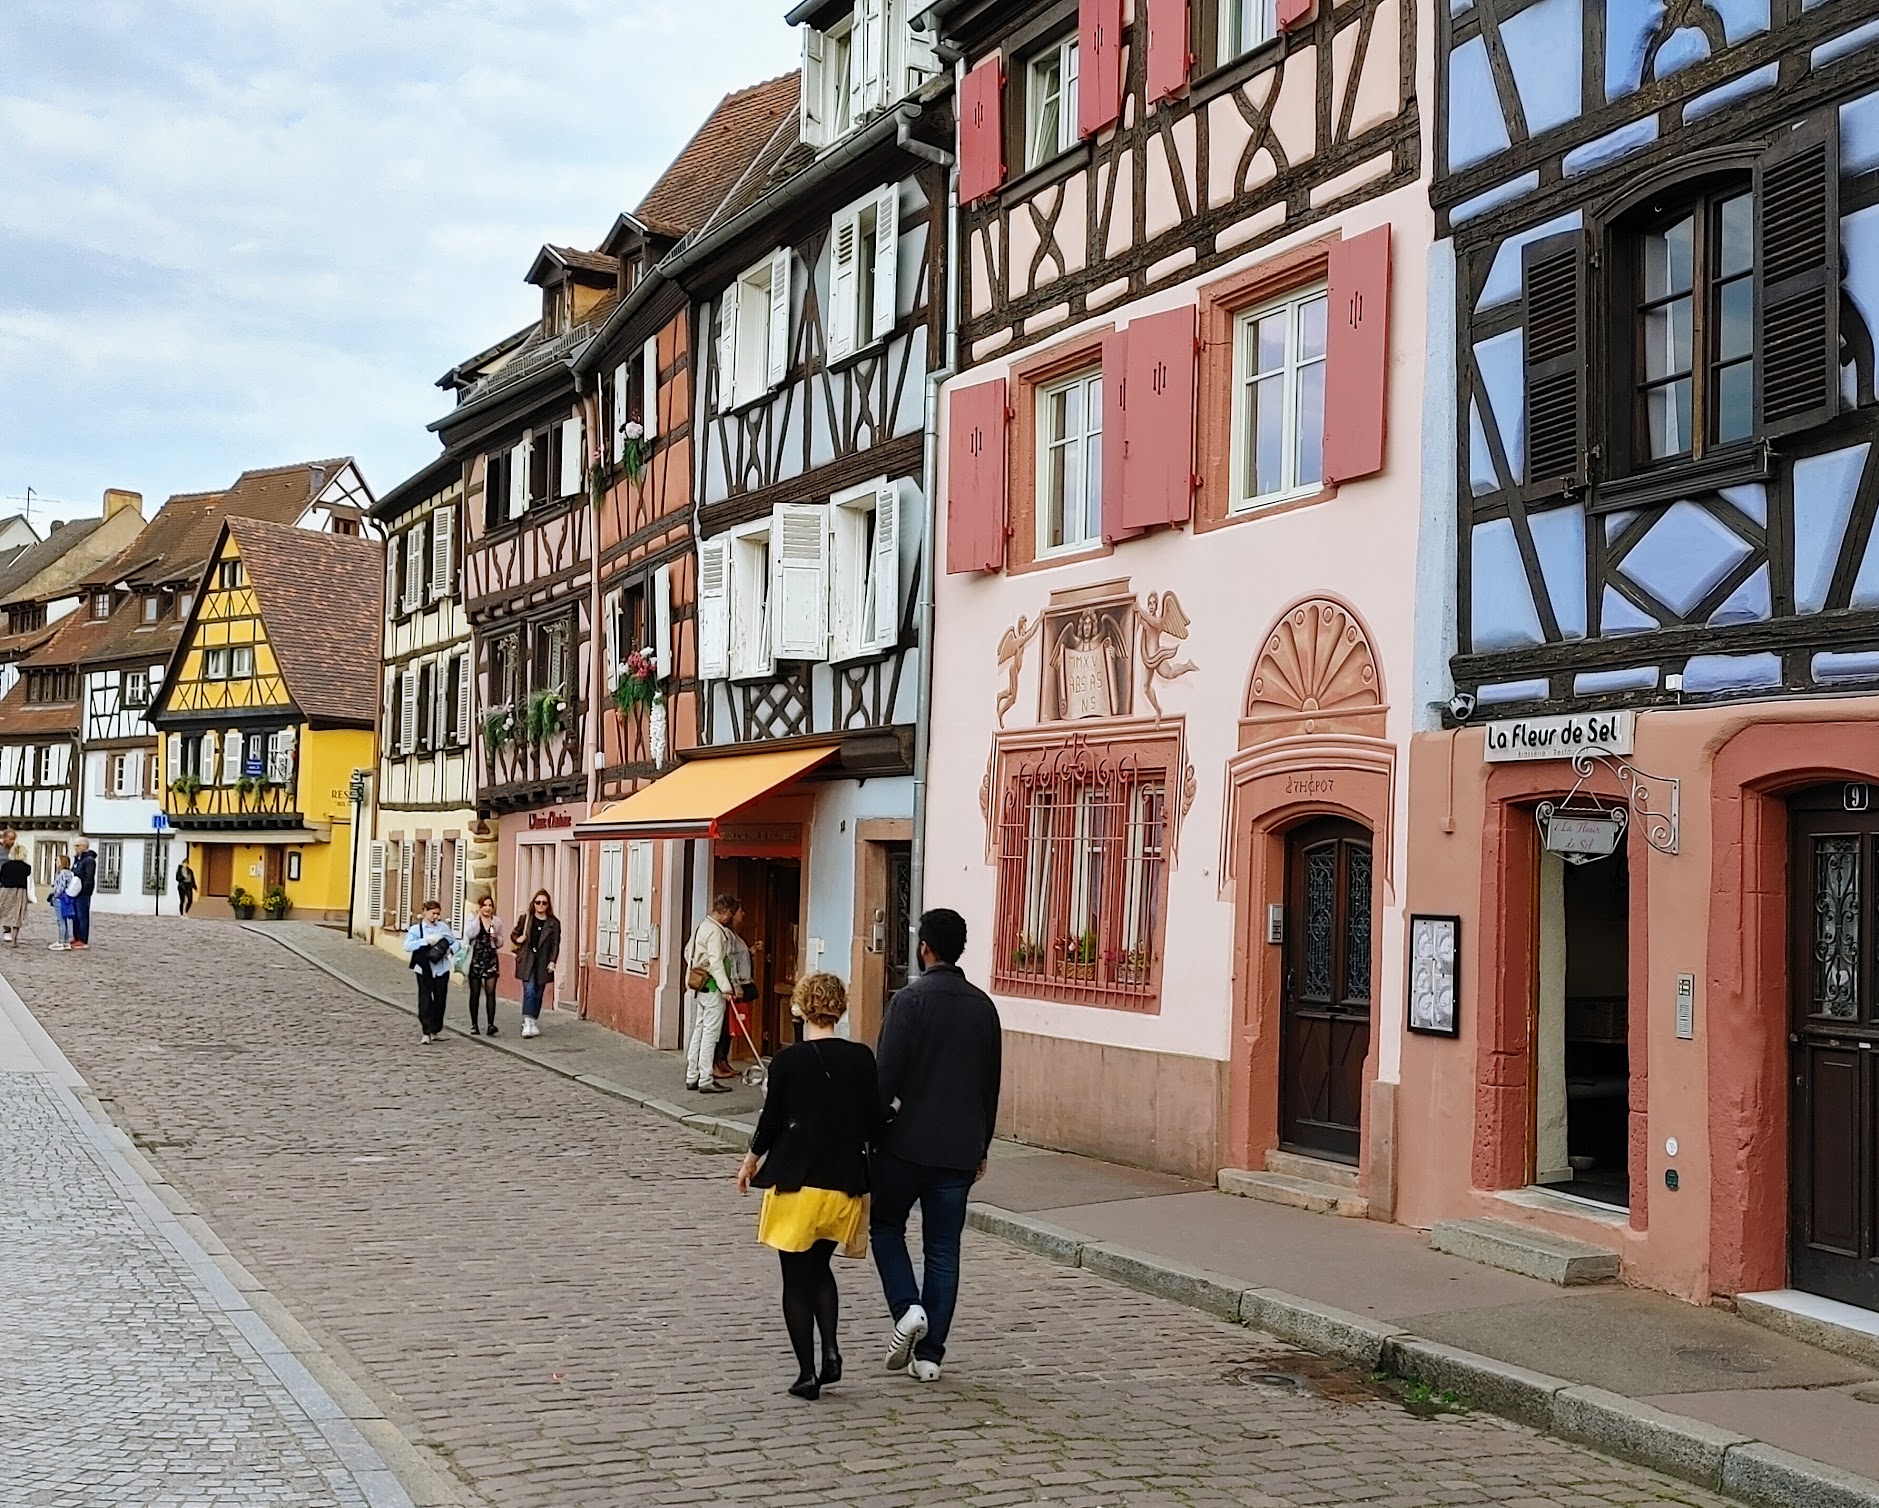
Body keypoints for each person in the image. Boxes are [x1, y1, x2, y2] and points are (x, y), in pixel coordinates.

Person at [870, 908, 1002, 1383]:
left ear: (924, 947)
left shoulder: (909, 1001)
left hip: (904, 1144)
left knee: (885, 1227)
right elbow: (990, 1086)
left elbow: (884, 1078)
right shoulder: (983, 1007)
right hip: (959, 1147)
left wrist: (873, 1130)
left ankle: (908, 1308)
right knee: (944, 1250)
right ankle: (930, 1356)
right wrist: (982, 1145)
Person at [737, 973, 879, 1400]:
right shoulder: (862, 1058)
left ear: (800, 1008)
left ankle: (807, 1374)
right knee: (820, 1269)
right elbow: (870, 1122)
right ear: (841, 1007)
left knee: (795, 1279)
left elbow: (771, 1121)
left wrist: (749, 1162)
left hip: (796, 1186)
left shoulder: (788, 1061)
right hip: (842, 1184)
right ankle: (831, 1350)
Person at [682, 894, 738, 1094]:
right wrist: (726, 988)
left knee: (699, 1030)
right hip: (713, 988)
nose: (731, 918)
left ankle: (692, 1074)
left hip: (702, 987)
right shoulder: (715, 931)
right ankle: (706, 1078)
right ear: (726, 912)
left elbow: (688, 952)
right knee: (710, 1034)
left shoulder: (702, 926)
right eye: (731, 913)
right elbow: (716, 963)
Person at [404, 898, 459, 1045]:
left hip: (441, 968)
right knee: (425, 1000)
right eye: (433, 913)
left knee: (440, 1000)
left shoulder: (443, 928)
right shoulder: (416, 929)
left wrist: (450, 950)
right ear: (425, 912)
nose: (436, 917)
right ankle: (426, 1032)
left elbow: (456, 942)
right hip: (424, 969)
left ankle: (435, 1029)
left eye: (438, 914)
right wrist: (425, 941)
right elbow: (407, 946)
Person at [510, 890, 560, 1039]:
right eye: (538, 902)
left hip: (542, 961)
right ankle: (527, 1022)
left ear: (548, 905)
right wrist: (518, 939)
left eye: (544, 903)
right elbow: (514, 934)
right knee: (529, 989)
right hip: (527, 959)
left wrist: (553, 961)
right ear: (534, 904)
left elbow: (555, 944)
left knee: (538, 992)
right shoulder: (526, 919)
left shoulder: (553, 923)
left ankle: (532, 1021)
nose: (540, 905)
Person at [714, 909, 755, 1081]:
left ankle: (723, 1060)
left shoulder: (736, 936)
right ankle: (716, 1062)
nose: (743, 914)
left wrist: (751, 951)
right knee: (724, 1026)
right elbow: (730, 961)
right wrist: (735, 985)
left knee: (730, 1027)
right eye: (739, 911)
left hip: (743, 982)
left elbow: (738, 958)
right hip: (733, 986)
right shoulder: (727, 935)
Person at [463, 893, 503, 1036]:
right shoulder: (472, 919)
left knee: (490, 992)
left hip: (490, 959)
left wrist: (496, 938)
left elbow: (500, 942)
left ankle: (491, 1024)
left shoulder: (496, 921)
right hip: (476, 959)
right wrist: (477, 918)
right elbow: (469, 934)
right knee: (475, 993)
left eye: (490, 905)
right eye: (484, 905)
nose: (487, 908)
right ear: (479, 906)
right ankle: (474, 1024)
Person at [0, 845, 31, 946]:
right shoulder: (26, 867)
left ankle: (6, 931)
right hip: (20, 892)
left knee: (3, 912)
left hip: (6, 891)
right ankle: (14, 940)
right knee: (17, 915)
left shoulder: (5, 866)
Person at [69, 838, 96, 950]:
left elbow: (88, 876)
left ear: (84, 847)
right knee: (75, 915)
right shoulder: (77, 859)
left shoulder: (89, 860)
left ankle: (83, 939)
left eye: (78, 845)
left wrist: (85, 889)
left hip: (83, 891)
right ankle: (76, 937)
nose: (75, 848)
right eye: (75, 845)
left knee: (82, 915)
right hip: (75, 891)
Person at [48, 854, 75, 951]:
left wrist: (55, 896)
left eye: (58, 860)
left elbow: (60, 887)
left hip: (60, 899)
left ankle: (61, 941)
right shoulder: (70, 873)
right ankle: (66, 941)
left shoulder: (62, 874)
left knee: (61, 921)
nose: (56, 862)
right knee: (65, 920)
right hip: (67, 899)